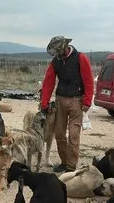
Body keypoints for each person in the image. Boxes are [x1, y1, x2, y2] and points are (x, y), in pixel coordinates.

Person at [40, 36, 94, 173]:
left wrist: (87, 101)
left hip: (77, 101)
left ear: (65, 47)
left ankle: (71, 167)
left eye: (58, 51)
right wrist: (44, 102)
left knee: (74, 135)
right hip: (60, 100)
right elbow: (48, 82)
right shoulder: (55, 61)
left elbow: (88, 81)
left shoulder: (80, 58)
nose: (57, 54)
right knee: (59, 134)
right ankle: (64, 162)